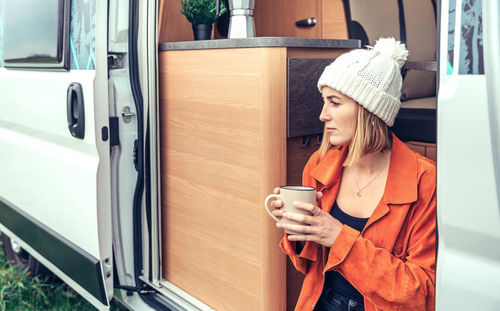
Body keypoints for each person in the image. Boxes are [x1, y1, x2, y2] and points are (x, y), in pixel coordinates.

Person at [270, 38, 436, 311]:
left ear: (369, 111)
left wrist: (339, 237)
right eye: (324, 102)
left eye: (335, 103)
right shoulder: (319, 166)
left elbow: (422, 294)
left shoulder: (425, 181)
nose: (323, 115)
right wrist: (298, 232)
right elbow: (307, 266)